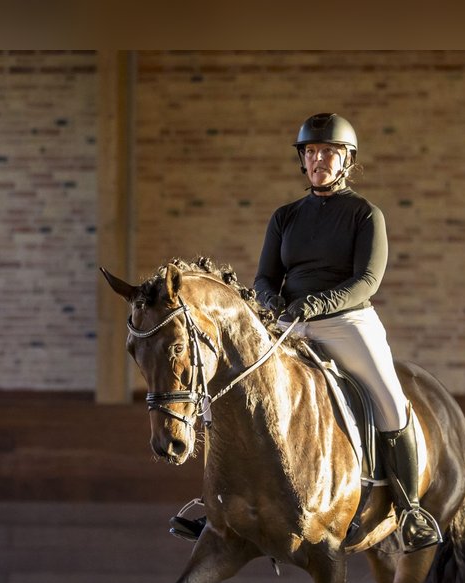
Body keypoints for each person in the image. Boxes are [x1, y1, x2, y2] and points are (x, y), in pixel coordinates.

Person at [170, 112, 441, 553]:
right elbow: (263, 277)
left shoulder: (365, 215)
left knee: (390, 401)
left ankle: (410, 510)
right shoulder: (285, 217)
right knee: (227, 389)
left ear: (346, 160)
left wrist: (319, 304)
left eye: (328, 153)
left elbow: (367, 281)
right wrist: (269, 303)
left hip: (347, 321)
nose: (318, 160)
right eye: (311, 152)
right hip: (289, 322)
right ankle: (218, 506)